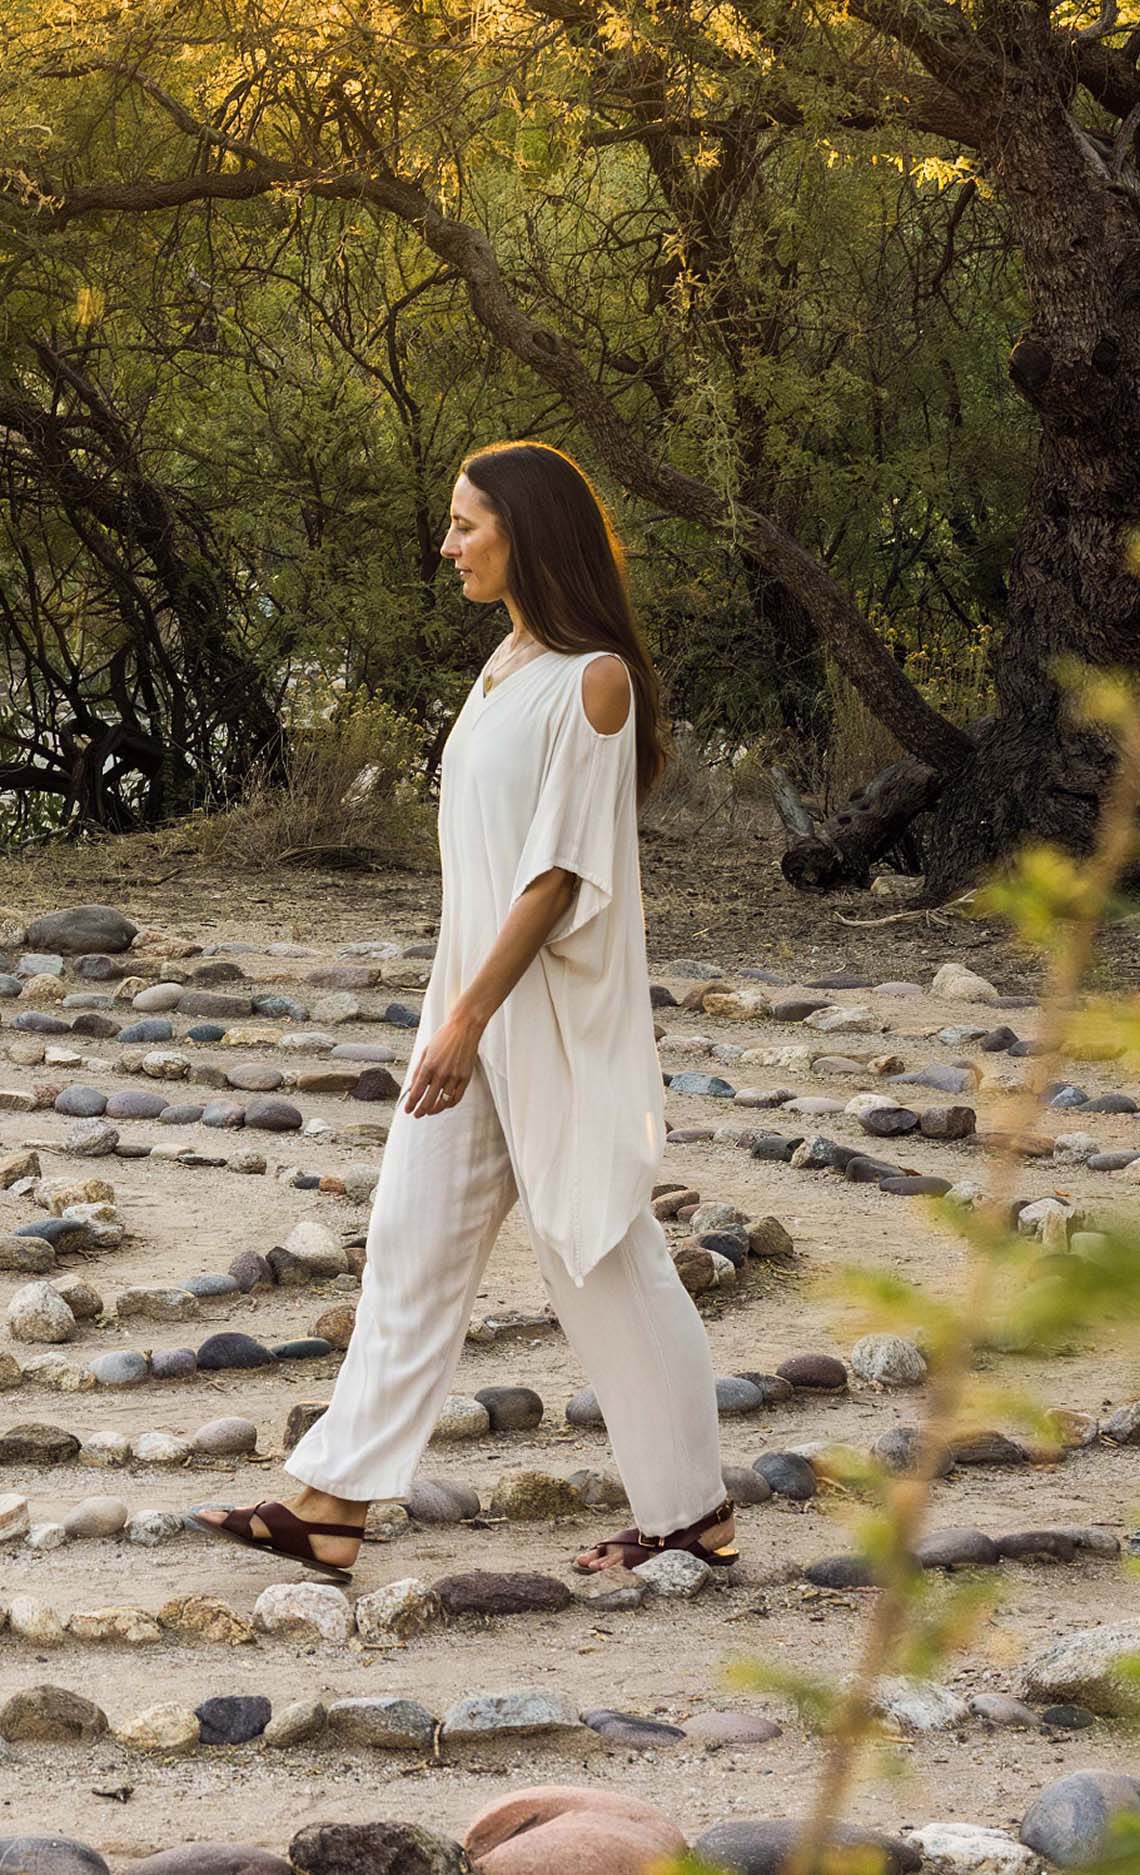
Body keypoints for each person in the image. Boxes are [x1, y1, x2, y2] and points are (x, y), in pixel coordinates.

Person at [192, 440, 736, 1581]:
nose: (447, 547)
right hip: (474, 1006)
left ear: (526, 531)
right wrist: (457, 1009)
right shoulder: (503, 665)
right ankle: (331, 1504)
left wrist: (469, 1020)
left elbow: (559, 877)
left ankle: (691, 1516)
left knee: (603, 1254)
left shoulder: (594, 679)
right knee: (410, 1241)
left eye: (465, 525)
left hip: (544, 1022)